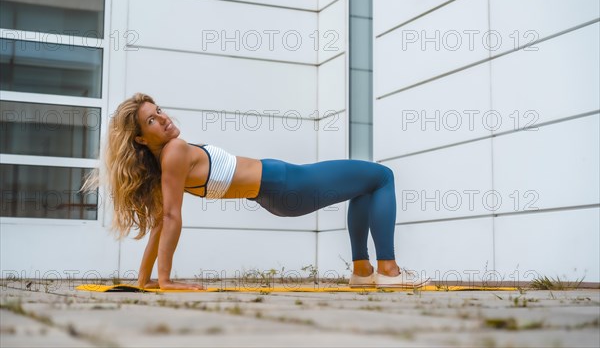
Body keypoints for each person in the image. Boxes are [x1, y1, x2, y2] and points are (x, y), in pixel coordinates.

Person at [88, 93, 429, 291]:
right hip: (288, 183)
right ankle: (388, 271)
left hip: (277, 194)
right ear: (141, 140)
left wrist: (145, 280)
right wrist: (164, 281)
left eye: (158, 110)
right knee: (382, 177)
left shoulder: (167, 163)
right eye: (151, 121)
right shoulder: (175, 151)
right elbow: (170, 217)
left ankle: (363, 271)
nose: (162, 118)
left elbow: (162, 221)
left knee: (363, 187)